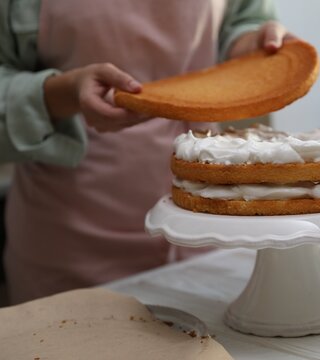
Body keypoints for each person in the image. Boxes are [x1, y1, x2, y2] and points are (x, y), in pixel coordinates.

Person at [0, 0, 294, 304]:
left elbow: (243, 18)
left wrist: (249, 45)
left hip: (211, 225)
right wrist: (65, 92)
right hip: (71, 241)